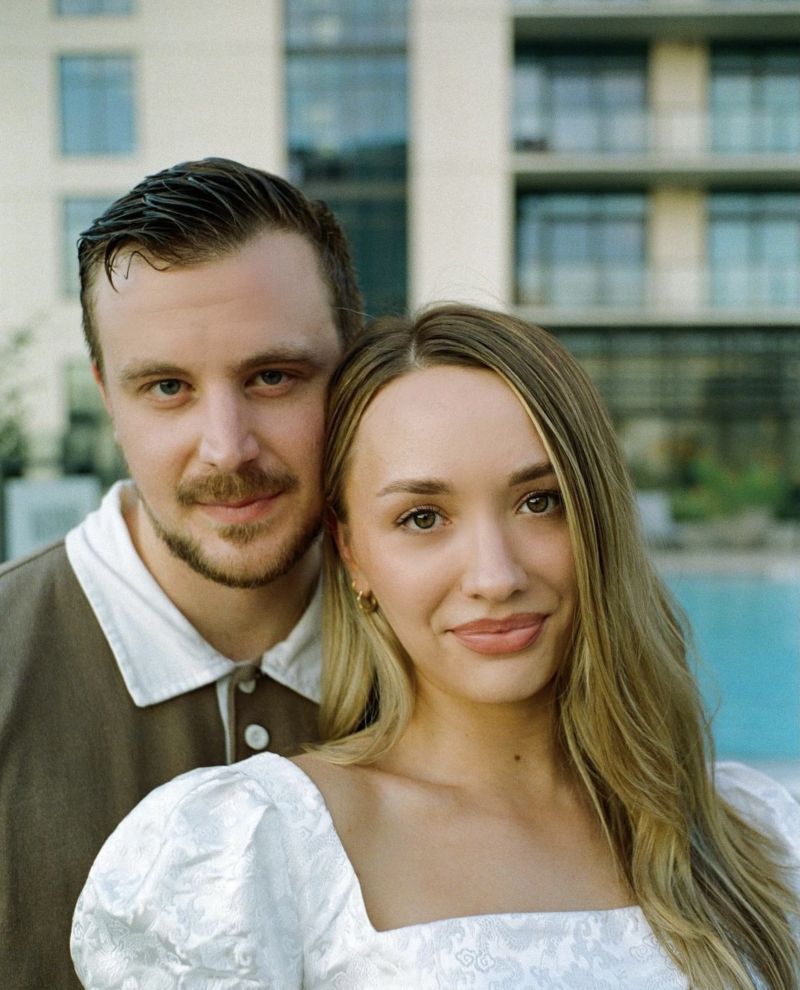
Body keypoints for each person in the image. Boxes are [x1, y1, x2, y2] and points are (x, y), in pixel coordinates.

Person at [72, 305, 800, 989]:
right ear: (352, 552)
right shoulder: (250, 855)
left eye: (539, 502)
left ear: (599, 518)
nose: (495, 576)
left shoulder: (755, 832)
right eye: (423, 517)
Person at [0, 158, 362, 989]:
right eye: (167, 387)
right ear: (108, 398)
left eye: (273, 376)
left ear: (353, 369)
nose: (227, 448)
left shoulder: (462, 647)